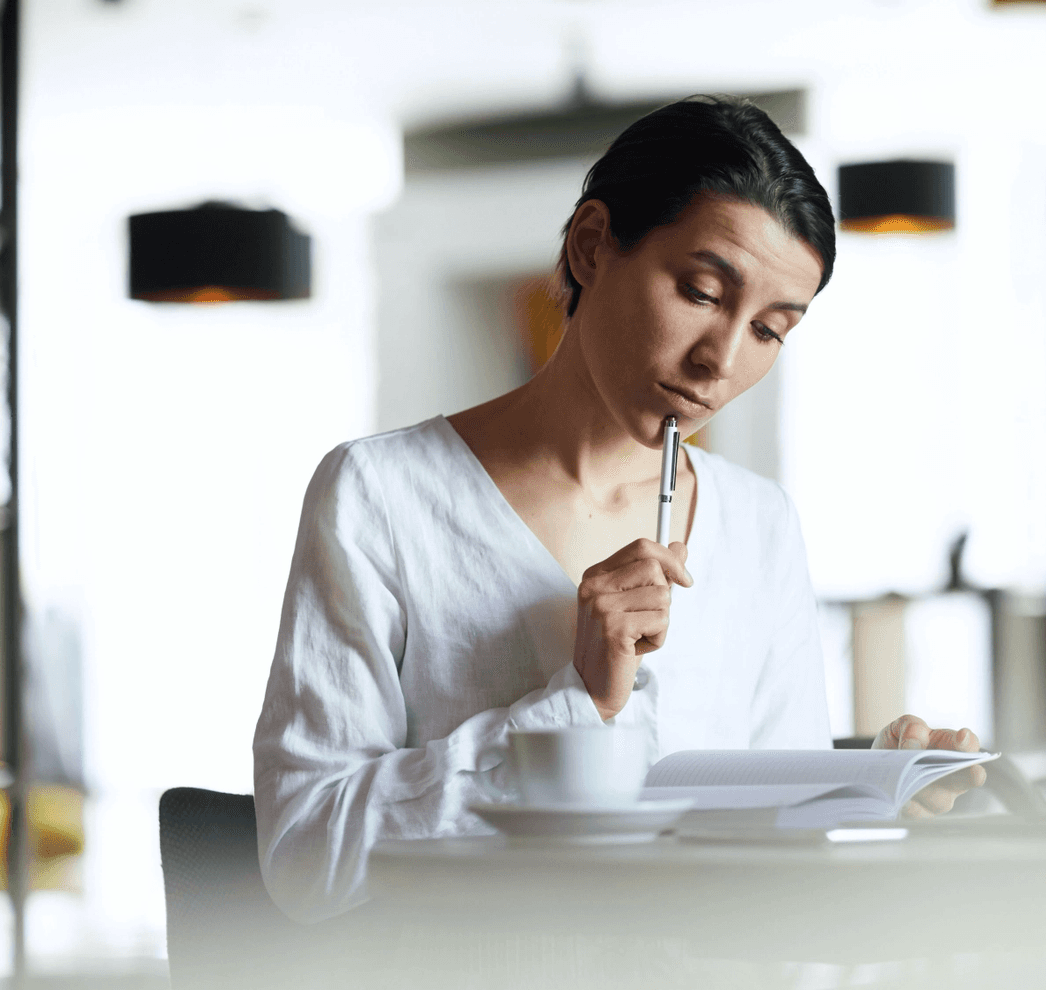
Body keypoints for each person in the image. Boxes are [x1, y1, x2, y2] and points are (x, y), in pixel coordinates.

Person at [252, 96, 985, 924]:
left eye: (771, 331)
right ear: (592, 246)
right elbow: (304, 854)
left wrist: (868, 790)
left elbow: (778, 873)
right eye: (703, 292)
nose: (720, 362)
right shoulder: (380, 495)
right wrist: (575, 707)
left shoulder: (758, 524)